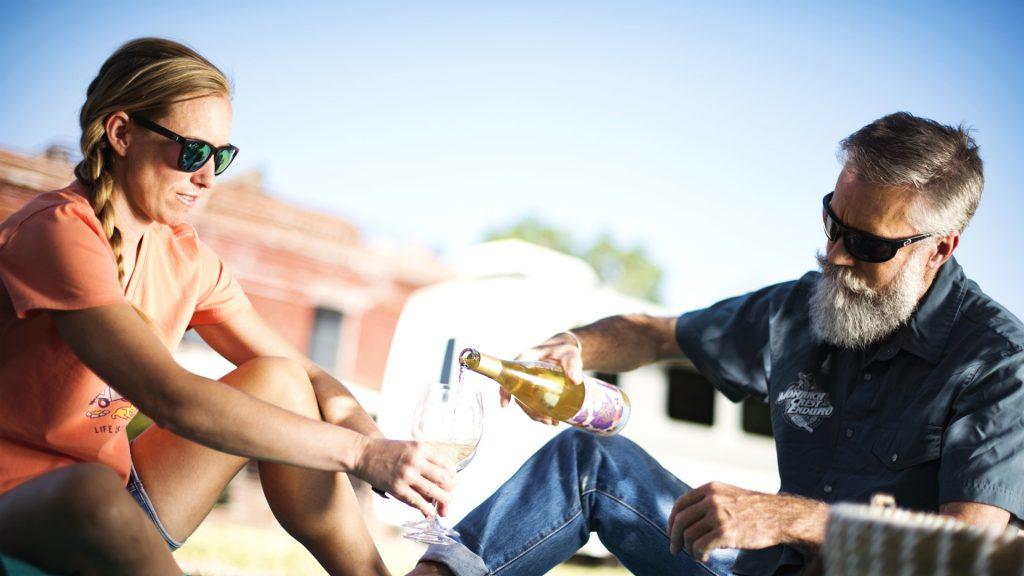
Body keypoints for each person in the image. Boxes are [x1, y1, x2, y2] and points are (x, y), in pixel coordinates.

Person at [408, 112, 1024, 576]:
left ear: (940, 248)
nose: (835, 255)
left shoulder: (997, 363)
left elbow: (965, 552)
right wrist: (575, 345)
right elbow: (655, 333)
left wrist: (795, 518)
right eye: (832, 223)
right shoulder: (799, 310)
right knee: (588, 459)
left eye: (867, 244)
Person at [0, 38, 456, 576]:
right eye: (192, 151)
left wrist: (381, 449)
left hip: (121, 494)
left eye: (221, 156)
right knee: (90, 495)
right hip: (22, 502)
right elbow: (170, 397)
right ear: (121, 134)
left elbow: (309, 376)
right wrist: (357, 455)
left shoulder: (184, 256)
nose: (208, 177)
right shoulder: (57, 232)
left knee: (281, 380)